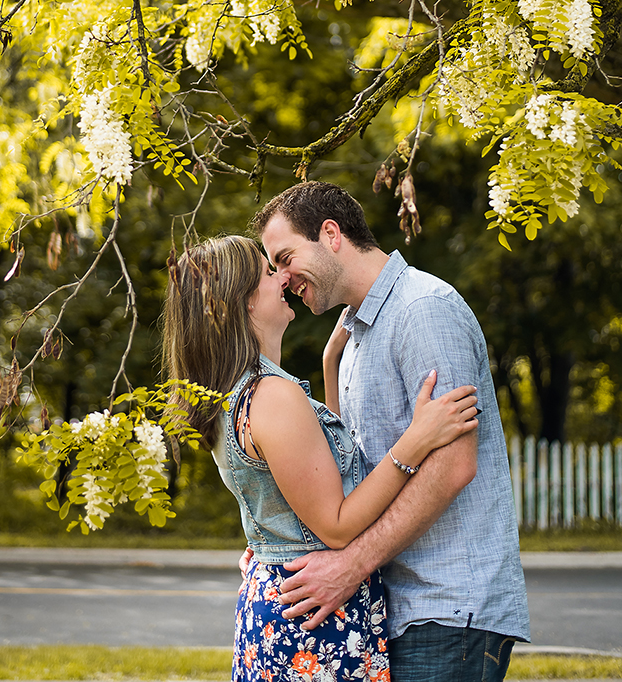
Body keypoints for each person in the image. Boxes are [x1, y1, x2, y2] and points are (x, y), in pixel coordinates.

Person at [162, 233, 479, 682]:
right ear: (244, 303)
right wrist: (414, 442)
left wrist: (333, 357)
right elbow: (335, 523)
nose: (284, 278)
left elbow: (329, 466)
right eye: (269, 272)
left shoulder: (234, 395)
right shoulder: (272, 396)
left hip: (284, 604)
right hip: (316, 621)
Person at [251, 182, 531, 682]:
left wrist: (351, 564)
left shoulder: (423, 309)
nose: (283, 277)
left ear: (331, 234)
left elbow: (453, 465)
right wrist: (331, 359)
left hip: (446, 608)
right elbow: (356, 468)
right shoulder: (358, 331)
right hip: (398, 609)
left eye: (286, 257)